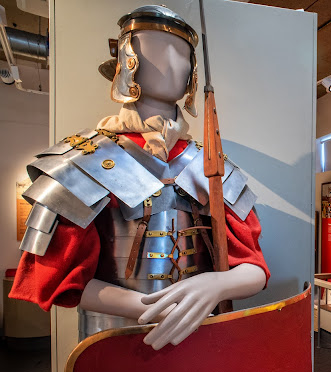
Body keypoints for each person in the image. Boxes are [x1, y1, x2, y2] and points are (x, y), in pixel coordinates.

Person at [10, 6, 269, 351]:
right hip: (116, 340)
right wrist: (146, 307)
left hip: (201, 337)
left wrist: (216, 286)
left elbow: (254, 266)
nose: (172, 61)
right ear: (127, 60)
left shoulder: (213, 167)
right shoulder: (82, 160)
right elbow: (52, 276)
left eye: (181, 52)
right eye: (156, 47)